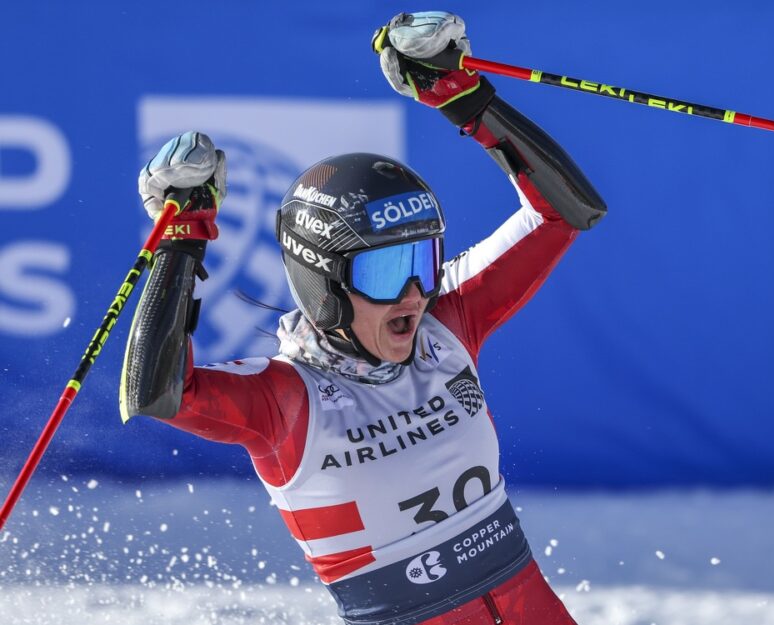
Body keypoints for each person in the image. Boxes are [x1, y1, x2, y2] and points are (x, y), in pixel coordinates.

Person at [121, 11, 605, 625]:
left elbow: (567, 212)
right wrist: (180, 242)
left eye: (423, 263)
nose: (412, 296)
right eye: (382, 274)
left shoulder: (445, 325)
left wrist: (466, 101)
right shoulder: (287, 399)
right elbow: (156, 392)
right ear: (323, 286)